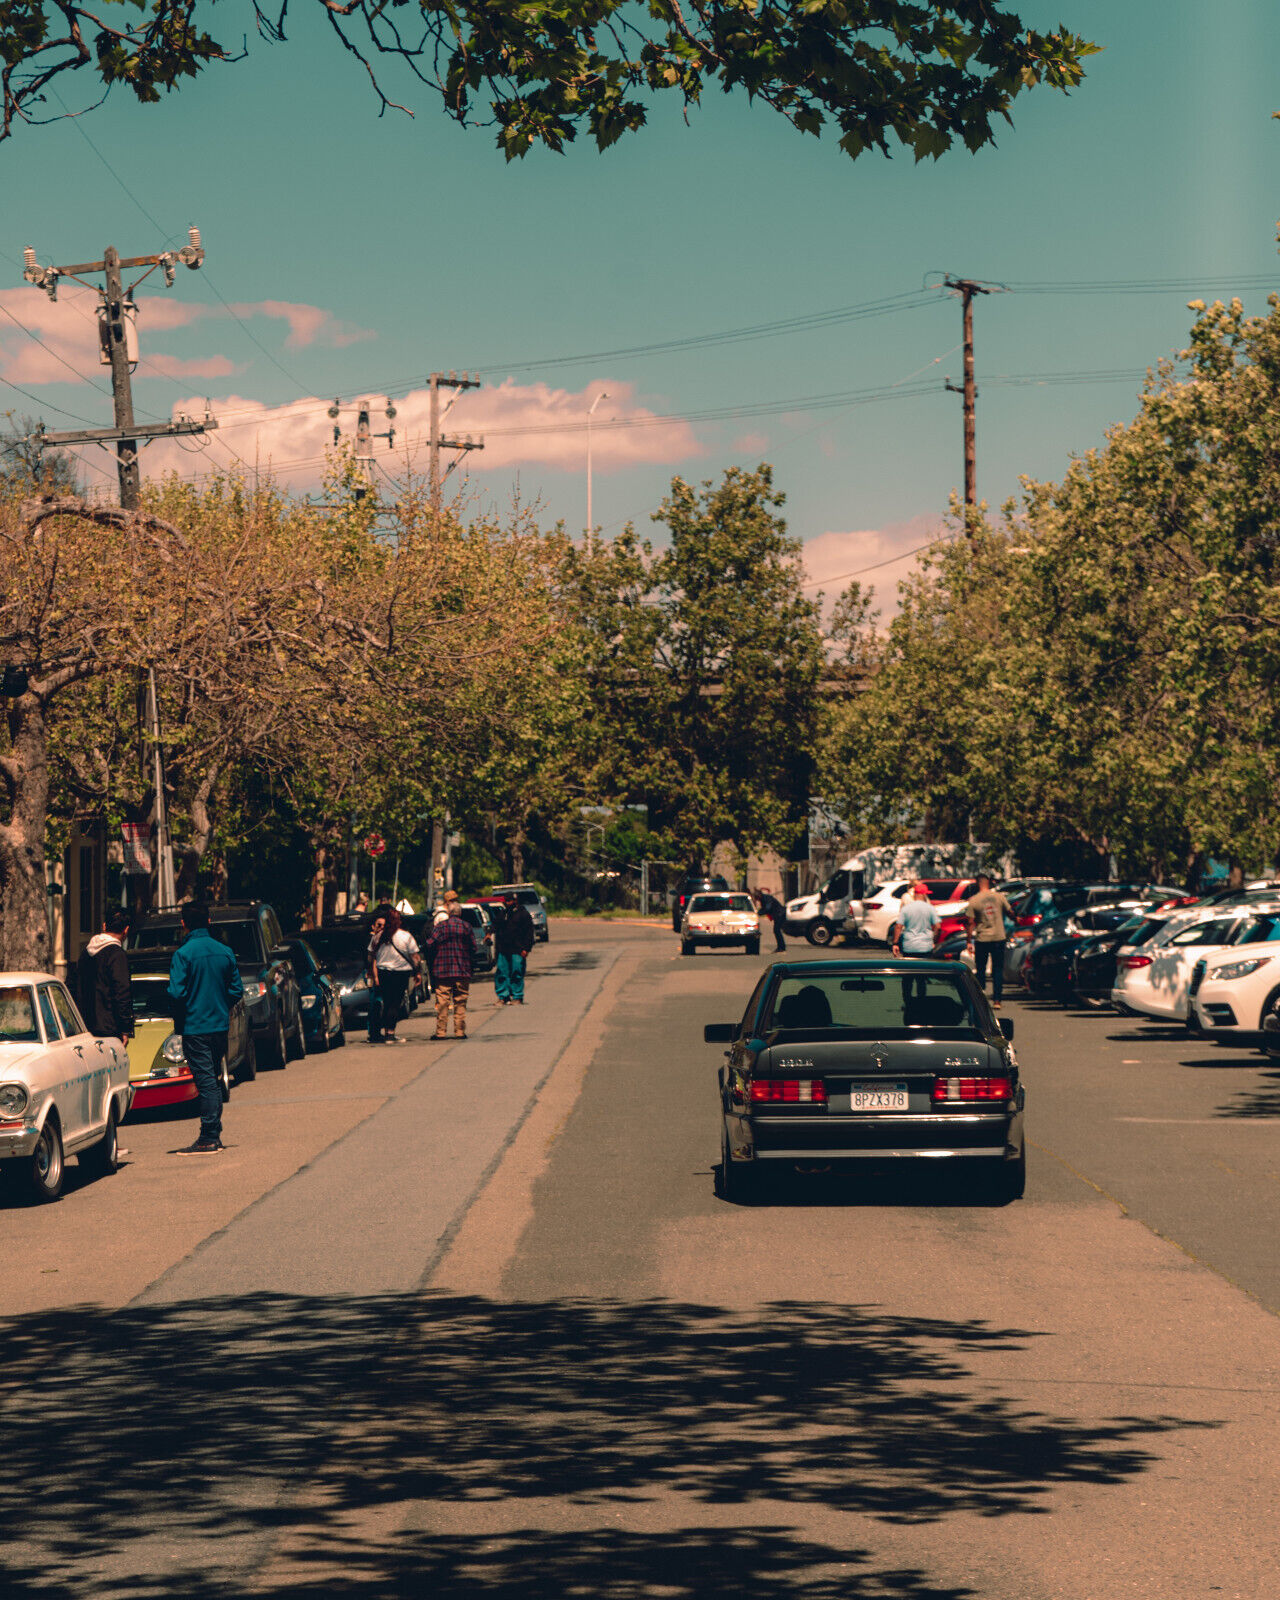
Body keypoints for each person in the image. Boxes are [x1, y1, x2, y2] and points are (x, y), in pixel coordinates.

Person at [167, 901, 243, 1154]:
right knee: (213, 1076)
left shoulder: (183, 954)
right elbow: (236, 990)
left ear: (183, 924)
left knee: (207, 1081)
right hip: (220, 1023)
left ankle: (209, 1135)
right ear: (209, 921)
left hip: (195, 1026)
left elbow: (176, 992)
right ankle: (212, 1131)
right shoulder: (225, 951)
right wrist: (220, 1004)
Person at [76, 908, 134, 1042]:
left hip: (83, 1026)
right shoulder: (117, 955)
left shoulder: (85, 953)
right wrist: (125, 1028)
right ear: (126, 930)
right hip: (109, 1029)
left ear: (104, 926)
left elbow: (72, 984)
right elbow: (122, 992)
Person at [367, 905, 421, 1044]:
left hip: (384, 972)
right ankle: (390, 1033)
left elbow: (370, 956)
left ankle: (384, 1032)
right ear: (399, 922)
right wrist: (418, 972)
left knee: (386, 1001)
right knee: (395, 1003)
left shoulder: (378, 936)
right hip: (401, 973)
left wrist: (373, 973)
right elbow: (415, 957)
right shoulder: (405, 936)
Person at [425, 896, 475, 1039]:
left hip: (443, 970)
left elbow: (429, 944)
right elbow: (473, 947)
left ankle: (441, 1032)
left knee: (442, 1003)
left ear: (449, 912)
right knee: (460, 1002)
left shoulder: (440, 927)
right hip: (462, 969)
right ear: (460, 913)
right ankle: (459, 1032)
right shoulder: (466, 927)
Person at [965, 872, 1014, 1007]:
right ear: (988, 883)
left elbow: (970, 922)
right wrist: (1016, 919)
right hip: (999, 936)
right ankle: (997, 1000)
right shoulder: (999, 897)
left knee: (980, 969)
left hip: (982, 938)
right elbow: (1010, 912)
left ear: (977, 883)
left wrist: (969, 941)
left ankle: (981, 998)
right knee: (997, 969)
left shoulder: (974, 900)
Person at [494, 891, 534, 1005]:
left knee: (517, 971)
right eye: (505, 901)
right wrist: (489, 933)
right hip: (504, 949)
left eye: (509, 900)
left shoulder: (523, 914)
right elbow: (495, 925)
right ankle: (503, 996)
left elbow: (529, 933)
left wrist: (526, 948)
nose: (507, 903)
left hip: (518, 949)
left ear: (515, 901)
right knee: (502, 972)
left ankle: (517, 996)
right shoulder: (503, 913)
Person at [890, 882, 941, 957]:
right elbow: (938, 927)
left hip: (909, 947)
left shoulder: (906, 908)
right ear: (923, 894)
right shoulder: (930, 908)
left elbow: (898, 926)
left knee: (910, 968)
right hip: (926, 947)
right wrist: (934, 941)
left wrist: (895, 944)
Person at [755, 888, 787, 953]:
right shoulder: (763, 899)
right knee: (776, 931)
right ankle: (780, 947)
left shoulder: (767, 898)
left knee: (776, 930)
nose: (757, 900)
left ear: (759, 895)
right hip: (777, 915)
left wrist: (759, 913)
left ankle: (782, 947)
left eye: (757, 898)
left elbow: (767, 908)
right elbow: (765, 908)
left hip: (780, 914)